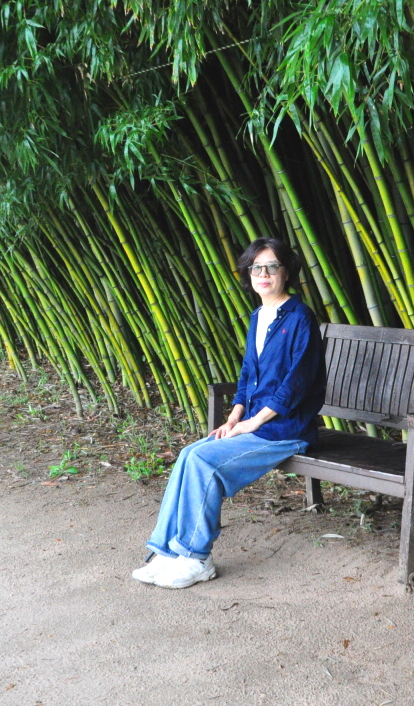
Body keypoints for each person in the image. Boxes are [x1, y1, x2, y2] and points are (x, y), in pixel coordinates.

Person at [133, 237, 326, 589]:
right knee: (189, 454)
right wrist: (235, 416)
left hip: (285, 430)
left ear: (286, 272)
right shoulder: (258, 316)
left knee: (203, 462)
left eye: (272, 266)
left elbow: (297, 383)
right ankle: (168, 550)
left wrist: (252, 423)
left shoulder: (300, 318)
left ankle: (197, 558)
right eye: (256, 267)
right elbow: (248, 373)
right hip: (255, 424)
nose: (263, 274)